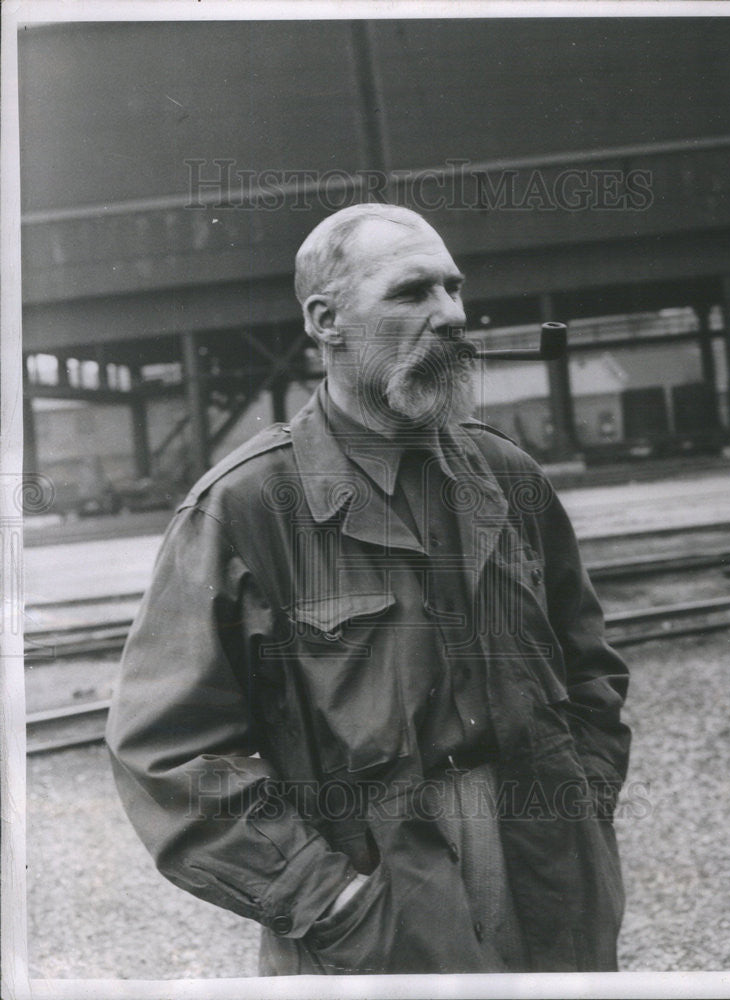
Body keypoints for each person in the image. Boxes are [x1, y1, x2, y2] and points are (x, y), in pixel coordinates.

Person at [106, 203, 631, 976]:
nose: (451, 314)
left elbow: (591, 671)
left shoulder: (508, 478)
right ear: (327, 321)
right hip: (377, 915)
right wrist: (329, 902)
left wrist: (581, 810)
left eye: (453, 289)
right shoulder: (250, 506)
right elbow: (167, 753)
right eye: (411, 293)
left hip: (548, 881)